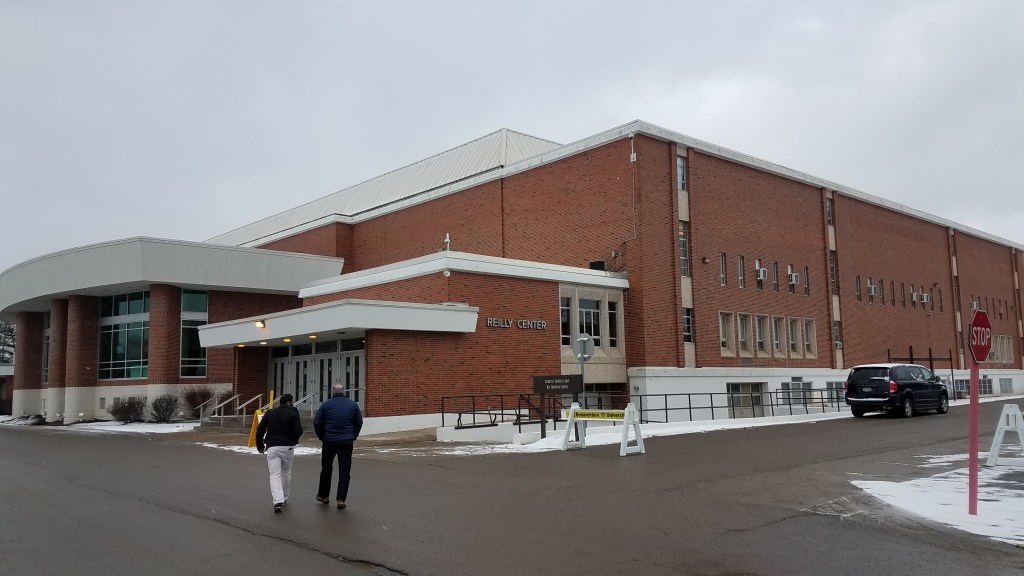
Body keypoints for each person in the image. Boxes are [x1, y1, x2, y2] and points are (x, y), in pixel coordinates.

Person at [314, 383, 363, 509]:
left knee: (326, 468)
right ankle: (341, 499)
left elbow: (317, 422)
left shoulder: (325, 405)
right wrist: (353, 435)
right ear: (343, 392)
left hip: (329, 441)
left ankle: (324, 495)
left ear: (333, 392)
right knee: (345, 470)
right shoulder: (353, 405)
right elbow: (359, 422)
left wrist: (322, 436)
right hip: (346, 441)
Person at [255, 393, 303, 513]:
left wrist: (260, 446)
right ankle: (285, 497)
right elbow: (298, 431)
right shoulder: (293, 413)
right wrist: (294, 439)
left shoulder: (270, 413)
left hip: (272, 446)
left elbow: (260, 430)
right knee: (286, 473)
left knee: (274, 474)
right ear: (289, 402)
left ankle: (277, 500)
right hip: (288, 447)